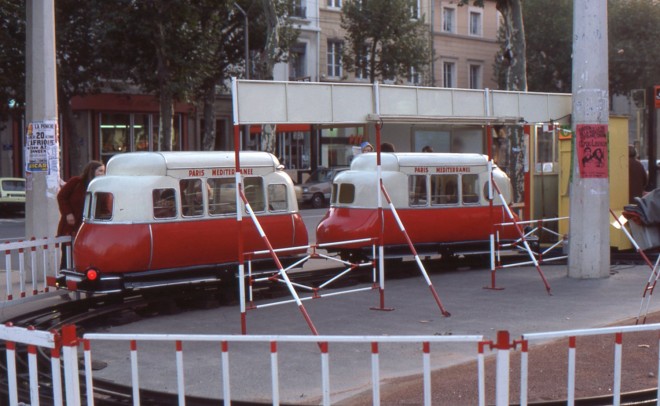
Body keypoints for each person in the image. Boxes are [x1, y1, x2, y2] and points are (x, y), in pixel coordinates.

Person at [57, 160, 106, 267]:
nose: (103, 174)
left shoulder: (102, 187)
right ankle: (65, 278)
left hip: (88, 229)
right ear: (92, 171)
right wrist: (68, 213)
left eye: (104, 171)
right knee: (67, 257)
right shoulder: (76, 182)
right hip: (71, 227)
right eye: (100, 171)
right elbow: (61, 197)